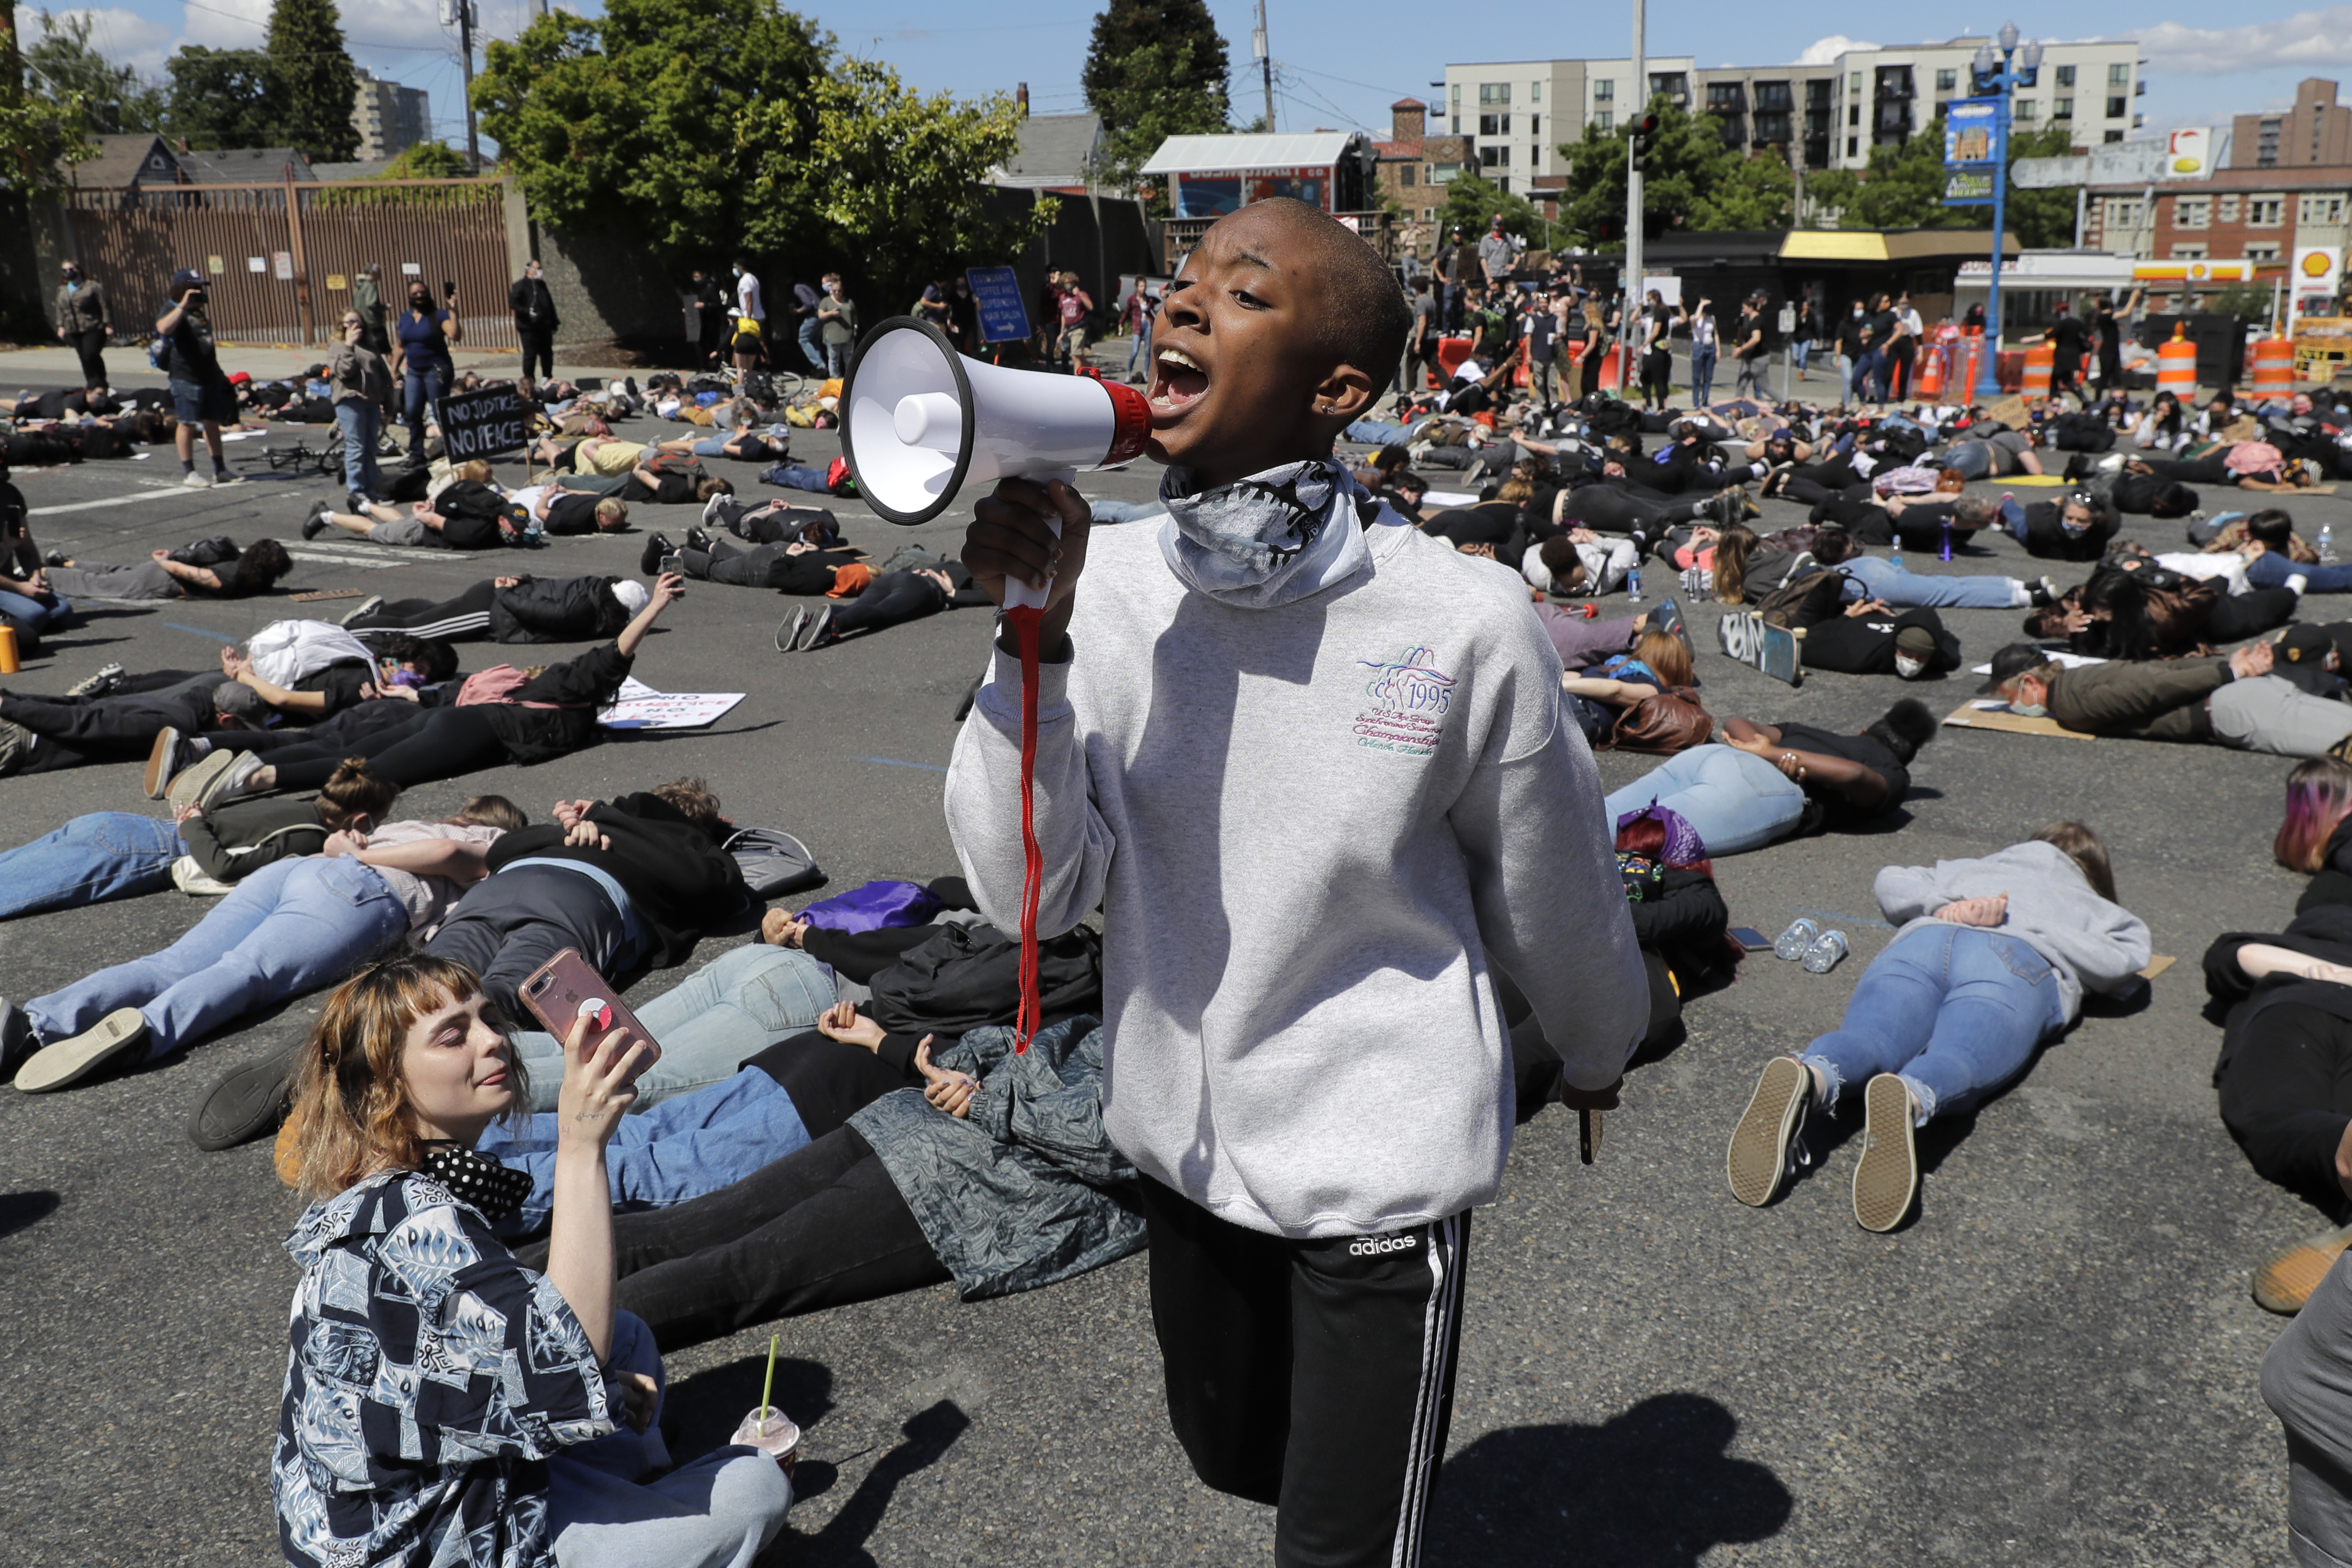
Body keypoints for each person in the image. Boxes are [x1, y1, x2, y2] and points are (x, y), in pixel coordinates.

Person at [951, 196, 1647, 1567]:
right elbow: (1028, 899)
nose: (1183, 303)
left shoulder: (1457, 616)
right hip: (1184, 1149)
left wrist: (1594, 1042)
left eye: (1243, 292)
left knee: (1334, 1550)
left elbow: (1550, 881)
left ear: (1336, 390)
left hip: (1374, 1174)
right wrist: (1022, 650)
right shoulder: (1116, 582)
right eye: (1184, 281)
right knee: (1229, 1457)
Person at [269, 953, 794, 1568]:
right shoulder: (416, 1224)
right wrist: (581, 1143)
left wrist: (582, 1384)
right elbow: (564, 1362)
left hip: (408, 1495)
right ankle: (635, 1501)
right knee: (754, 1489)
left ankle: (630, 1486)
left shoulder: (388, 1189)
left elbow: (464, 1367)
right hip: (433, 1543)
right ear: (384, 1084)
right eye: (453, 1035)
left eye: (488, 1018)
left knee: (624, 1338)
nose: (494, 1040)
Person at [1725, 824, 2149, 1231]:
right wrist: (2035, 928)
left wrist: (1948, 903)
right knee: (1958, 1054)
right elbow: (2124, 961)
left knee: (1870, 1039)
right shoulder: (2098, 906)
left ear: (2028, 846)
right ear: (2094, 874)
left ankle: (1813, 1075)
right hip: (2015, 961)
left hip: (1927, 940)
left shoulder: (1971, 866)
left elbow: (1890, 881)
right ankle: (1912, 1096)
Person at [4, 796, 522, 1092]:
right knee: (247, 972)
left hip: (299, 872)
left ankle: (36, 1025)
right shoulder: (494, 845)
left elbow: (336, 843)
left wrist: (348, 849)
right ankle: (145, 1034)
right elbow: (454, 852)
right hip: (363, 895)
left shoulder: (406, 825)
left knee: (170, 962)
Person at [163, 574, 687, 801]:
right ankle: (246, 781)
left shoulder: (517, 679)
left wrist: (411, 695)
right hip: (470, 727)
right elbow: (614, 656)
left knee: (349, 751)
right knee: (367, 770)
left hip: (441, 711)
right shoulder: (572, 694)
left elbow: (609, 659)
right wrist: (657, 608)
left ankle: (219, 759)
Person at [420, 778, 748, 1029]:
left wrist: (572, 830)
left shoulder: (585, 823)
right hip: (578, 900)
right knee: (510, 997)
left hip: (500, 889)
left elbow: (498, 852)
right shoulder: (682, 842)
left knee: (423, 984)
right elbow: (723, 887)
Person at [0, 761, 397, 923]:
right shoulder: (310, 835)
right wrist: (193, 824)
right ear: (360, 817)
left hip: (116, 825)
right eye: (379, 821)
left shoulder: (296, 807)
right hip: (146, 850)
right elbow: (224, 867)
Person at [1979, 639, 2352, 757]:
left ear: (2028, 682)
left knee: (2344, 744)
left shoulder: (2070, 706)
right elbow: (2161, 671)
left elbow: (2151, 690)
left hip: (2232, 709)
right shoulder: (2079, 675)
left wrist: (2231, 670)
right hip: (2246, 694)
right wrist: (2228, 666)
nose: (2011, 703)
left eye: (2008, 694)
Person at [344, 573, 646, 645]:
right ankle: (347, 633)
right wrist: (504, 592)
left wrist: (519, 580)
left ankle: (383, 610)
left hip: (496, 598)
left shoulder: (593, 586)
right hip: (494, 608)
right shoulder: (583, 612)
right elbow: (533, 610)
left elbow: (546, 586)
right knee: (420, 632)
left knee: (438, 613)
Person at [776, 555, 992, 652]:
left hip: (895, 578)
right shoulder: (985, 575)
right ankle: (833, 624)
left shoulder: (958, 561)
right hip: (923, 589)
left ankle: (808, 619)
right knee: (880, 614)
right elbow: (991, 597)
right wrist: (953, 593)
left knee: (858, 608)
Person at [153, 267, 242, 488]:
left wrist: (220, 375)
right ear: (182, 289)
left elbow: (208, 346)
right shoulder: (172, 308)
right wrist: (182, 304)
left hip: (209, 375)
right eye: (193, 287)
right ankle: (190, 472)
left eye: (200, 287)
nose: (198, 292)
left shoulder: (199, 312)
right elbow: (163, 328)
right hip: (186, 377)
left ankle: (220, 469)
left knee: (212, 422)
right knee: (187, 423)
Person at [389, 276, 461, 456]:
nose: (419, 296)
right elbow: (400, 346)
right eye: (415, 293)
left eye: (423, 292)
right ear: (409, 297)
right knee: (412, 411)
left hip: (436, 370)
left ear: (429, 294)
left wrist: (453, 311)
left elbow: (454, 334)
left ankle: (453, 450)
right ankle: (416, 453)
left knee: (439, 413)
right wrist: (393, 369)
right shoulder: (405, 318)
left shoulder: (438, 315)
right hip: (413, 371)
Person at [326, 308, 390, 508]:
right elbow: (346, 371)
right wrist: (349, 345)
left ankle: (370, 489)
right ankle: (357, 491)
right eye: (349, 323)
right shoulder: (337, 347)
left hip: (371, 401)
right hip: (350, 400)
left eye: (358, 322)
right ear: (341, 326)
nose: (354, 326)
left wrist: (389, 406)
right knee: (356, 447)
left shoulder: (371, 348)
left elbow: (385, 377)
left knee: (371, 447)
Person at [54, 259, 111, 391]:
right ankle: (92, 386)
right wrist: (60, 326)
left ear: (79, 269)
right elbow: (60, 309)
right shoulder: (62, 290)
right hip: (73, 329)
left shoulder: (92, 286)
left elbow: (105, 306)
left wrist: (108, 324)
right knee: (83, 359)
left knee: (91, 353)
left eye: (71, 269)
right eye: (65, 271)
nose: (69, 273)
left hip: (93, 327)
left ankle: (102, 381)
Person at [510, 257, 559, 381]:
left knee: (547, 354)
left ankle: (547, 378)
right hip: (528, 327)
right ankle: (529, 380)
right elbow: (513, 303)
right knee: (530, 355)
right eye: (538, 269)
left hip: (544, 326)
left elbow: (548, 303)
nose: (540, 271)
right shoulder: (520, 285)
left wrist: (553, 322)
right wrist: (527, 312)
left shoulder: (541, 285)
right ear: (530, 270)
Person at [816, 273, 857, 377]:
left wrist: (855, 328)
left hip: (848, 335)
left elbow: (854, 316)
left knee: (849, 360)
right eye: (835, 291)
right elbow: (820, 315)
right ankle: (834, 379)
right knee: (834, 359)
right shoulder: (826, 301)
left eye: (840, 290)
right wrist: (831, 313)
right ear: (831, 291)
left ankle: (850, 380)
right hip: (833, 336)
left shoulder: (849, 301)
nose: (837, 293)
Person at [1639, 289, 1674, 411]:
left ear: (1656, 298)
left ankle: (1660, 407)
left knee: (1657, 379)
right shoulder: (1666, 310)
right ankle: (1657, 404)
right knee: (1657, 378)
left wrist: (1644, 344)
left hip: (1658, 349)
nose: (1649, 302)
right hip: (1664, 349)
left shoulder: (1659, 312)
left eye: (1650, 299)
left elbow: (1656, 331)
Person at [1401, 276, 1435, 397]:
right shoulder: (1431, 300)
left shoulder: (1421, 302)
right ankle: (1449, 386)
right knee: (1435, 364)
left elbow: (1422, 322)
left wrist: (1418, 341)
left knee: (1411, 362)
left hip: (1423, 337)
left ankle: (1411, 389)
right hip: (1433, 336)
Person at [1685, 297, 1719, 409]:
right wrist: (1702, 304)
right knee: (1696, 377)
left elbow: (1716, 334)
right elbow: (1696, 318)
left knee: (1708, 377)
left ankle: (1705, 400)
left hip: (1710, 347)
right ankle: (1696, 402)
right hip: (1699, 347)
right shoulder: (1695, 318)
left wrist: (1718, 350)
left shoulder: (1712, 318)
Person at [1731, 297, 1768, 400]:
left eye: (1744, 307)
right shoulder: (1747, 319)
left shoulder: (1757, 320)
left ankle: (1785, 405)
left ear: (1751, 308)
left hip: (1758, 358)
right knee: (1742, 384)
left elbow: (1756, 339)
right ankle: (1737, 407)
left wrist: (1741, 349)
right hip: (1749, 357)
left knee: (1766, 387)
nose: (1742, 309)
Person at [689, 267, 727, 367]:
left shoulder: (711, 286)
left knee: (710, 343)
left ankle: (713, 364)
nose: (697, 280)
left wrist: (705, 305)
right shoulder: (697, 287)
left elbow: (718, 304)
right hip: (699, 320)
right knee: (699, 343)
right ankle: (703, 366)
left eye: (698, 277)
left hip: (710, 320)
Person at [1785, 297, 1818, 396]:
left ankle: (1801, 372)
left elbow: (1814, 326)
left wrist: (1817, 338)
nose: (1805, 308)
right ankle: (1801, 366)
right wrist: (1801, 318)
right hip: (1797, 339)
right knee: (1796, 356)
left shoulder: (1812, 316)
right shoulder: (1797, 315)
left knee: (1803, 355)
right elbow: (1794, 326)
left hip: (1807, 339)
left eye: (1806, 306)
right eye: (1803, 306)